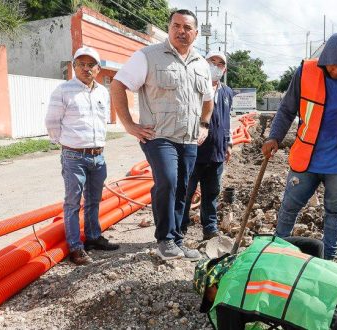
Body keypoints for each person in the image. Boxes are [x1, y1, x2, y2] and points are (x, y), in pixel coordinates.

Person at [261, 31, 337, 260]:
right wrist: (273, 136)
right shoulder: (306, 72)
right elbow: (287, 109)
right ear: (324, 61)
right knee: (289, 207)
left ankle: (328, 260)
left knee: (335, 210)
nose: (336, 71)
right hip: (307, 159)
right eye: (332, 66)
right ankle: (277, 253)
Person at [111, 9, 214, 260]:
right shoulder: (148, 56)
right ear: (168, 28)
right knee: (167, 181)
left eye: (187, 27)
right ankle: (165, 239)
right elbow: (117, 85)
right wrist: (129, 125)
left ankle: (177, 239)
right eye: (176, 25)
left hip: (188, 138)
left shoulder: (201, 64)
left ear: (196, 33)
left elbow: (208, 100)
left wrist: (204, 125)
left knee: (182, 188)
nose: (182, 31)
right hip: (158, 136)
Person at [45, 46, 119, 265]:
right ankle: (75, 247)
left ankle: (93, 237)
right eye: (82, 64)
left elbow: (103, 120)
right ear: (74, 66)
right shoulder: (63, 90)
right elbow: (52, 122)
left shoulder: (102, 92)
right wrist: (68, 145)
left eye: (91, 65)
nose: (86, 69)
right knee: (72, 203)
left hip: (98, 156)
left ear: (98, 68)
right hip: (74, 157)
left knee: (94, 200)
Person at [193, 235, 337, 329]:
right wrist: (310, 285)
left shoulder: (227, 298)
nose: (211, 301)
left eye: (208, 297)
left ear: (213, 284)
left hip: (331, 323)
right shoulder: (261, 247)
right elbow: (316, 244)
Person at [181, 51, 234, 240]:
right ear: (204, 63)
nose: (216, 66)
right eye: (212, 61)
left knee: (211, 193)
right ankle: (180, 227)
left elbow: (226, 120)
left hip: (217, 153)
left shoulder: (227, 92)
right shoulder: (194, 87)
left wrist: (228, 144)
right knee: (186, 192)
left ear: (224, 69)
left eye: (220, 64)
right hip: (194, 151)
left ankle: (209, 228)